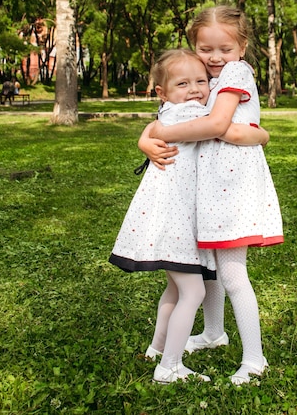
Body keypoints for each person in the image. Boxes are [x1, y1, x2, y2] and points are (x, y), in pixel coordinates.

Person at [141, 6, 284, 385]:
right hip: (212, 188)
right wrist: (146, 138)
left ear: (242, 45)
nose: (216, 57)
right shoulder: (206, 77)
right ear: (194, 46)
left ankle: (255, 359)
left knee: (234, 275)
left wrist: (160, 136)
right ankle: (213, 332)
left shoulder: (236, 72)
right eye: (206, 49)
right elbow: (172, 115)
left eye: (225, 48)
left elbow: (220, 125)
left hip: (233, 187)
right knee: (210, 273)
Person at [109, 48, 268, 384]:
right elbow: (219, 126)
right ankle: (169, 367)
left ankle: (157, 347)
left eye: (201, 81)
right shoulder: (192, 113)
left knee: (174, 289)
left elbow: (157, 125)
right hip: (175, 218)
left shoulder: (173, 109)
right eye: (184, 82)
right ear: (162, 93)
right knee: (192, 292)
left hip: (167, 217)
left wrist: (147, 136)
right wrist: (262, 135)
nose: (196, 88)